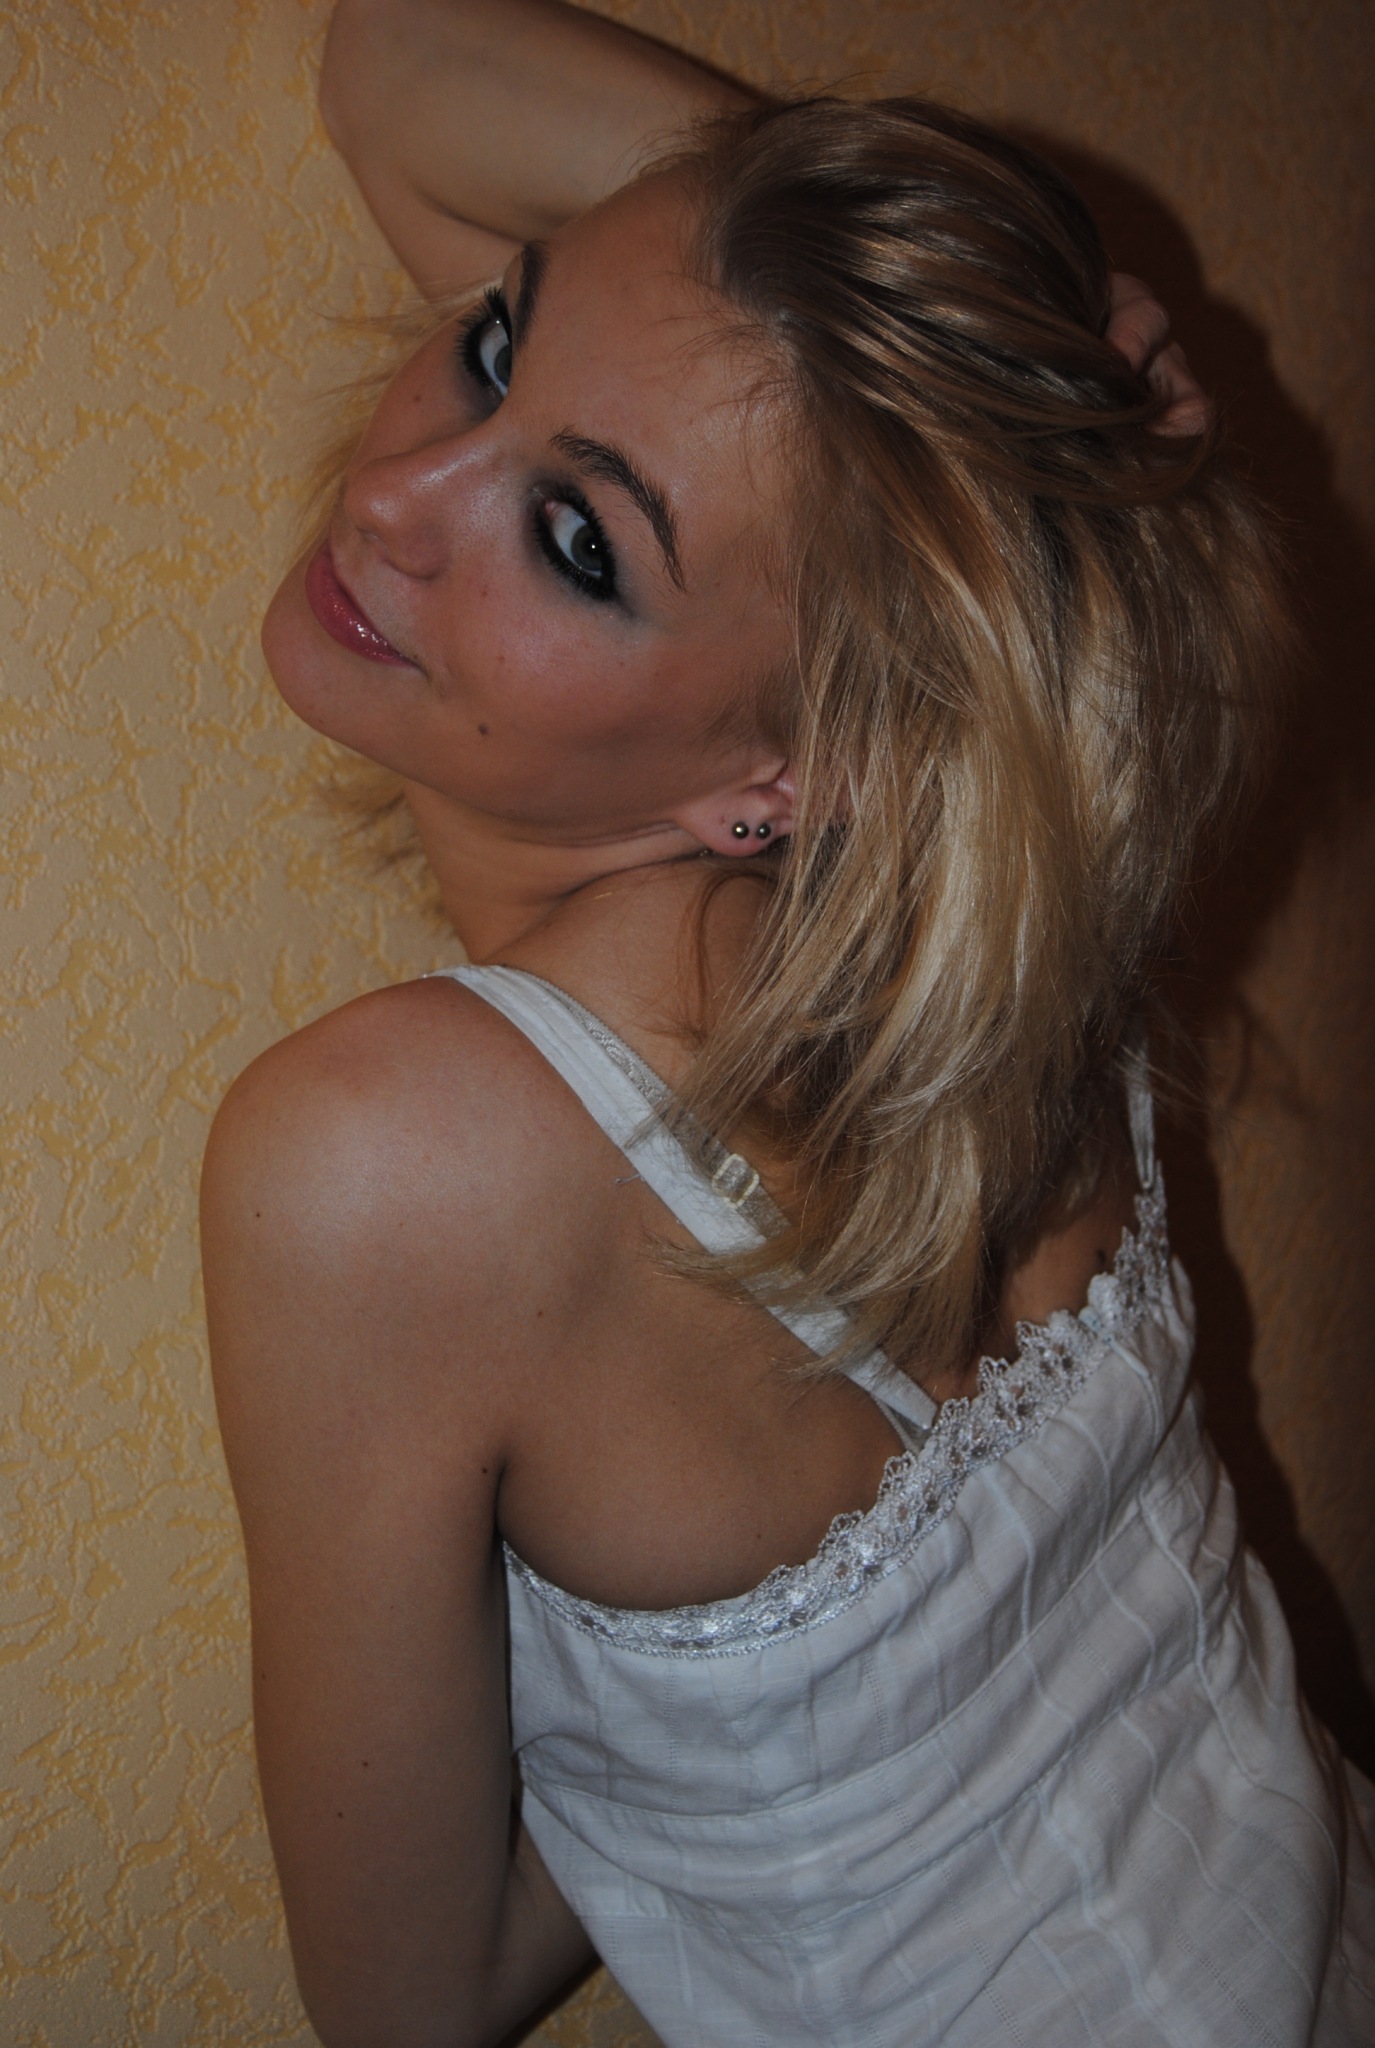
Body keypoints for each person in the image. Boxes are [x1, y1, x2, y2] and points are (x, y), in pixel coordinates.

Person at [201, 5, 1375, 2044]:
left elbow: (413, 2003)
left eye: (578, 539)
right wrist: (977, 358)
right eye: (495, 339)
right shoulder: (994, 902)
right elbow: (395, 55)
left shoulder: (392, 1159)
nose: (398, 492)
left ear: (791, 772)